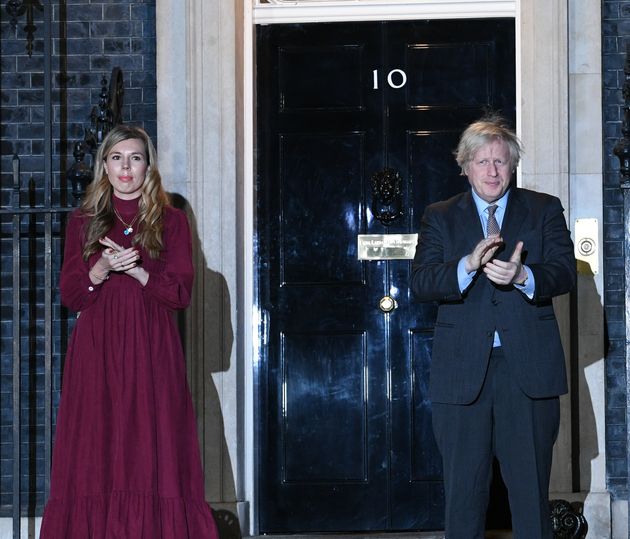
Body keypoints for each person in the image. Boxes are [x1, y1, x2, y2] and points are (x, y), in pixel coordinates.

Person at [40, 125, 219, 539]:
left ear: (148, 166)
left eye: (135, 158)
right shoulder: (82, 221)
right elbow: (71, 294)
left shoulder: (170, 220)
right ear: (104, 165)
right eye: (117, 157)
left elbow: (180, 293)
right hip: (97, 347)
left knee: (150, 442)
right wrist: (99, 269)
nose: (126, 167)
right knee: (97, 442)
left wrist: (138, 269)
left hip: (152, 346)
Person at [410, 115, 576, 538]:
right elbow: (422, 282)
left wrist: (523, 277)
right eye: (482, 162)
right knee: (463, 497)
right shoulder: (440, 216)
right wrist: (467, 265)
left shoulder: (543, 209)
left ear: (513, 165)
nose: (492, 171)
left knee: (530, 495)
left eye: (500, 162)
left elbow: (564, 273)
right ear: (465, 166)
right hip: (463, 374)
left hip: (528, 372)